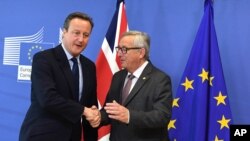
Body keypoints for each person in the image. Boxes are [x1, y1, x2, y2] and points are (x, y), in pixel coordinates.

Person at [19, 12, 99, 141]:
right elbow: (48, 98)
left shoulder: (89, 66)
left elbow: (90, 106)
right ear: (64, 32)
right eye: (76, 33)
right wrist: (84, 110)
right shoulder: (43, 59)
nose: (81, 39)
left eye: (86, 35)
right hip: (43, 135)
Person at [90, 30, 173, 141]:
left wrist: (129, 116)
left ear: (141, 52)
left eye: (124, 49)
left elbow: (162, 117)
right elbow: (111, 110)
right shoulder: (118, 77)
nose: (119, 54)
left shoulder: (160, 79)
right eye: (118, 49)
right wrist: (99, 116)